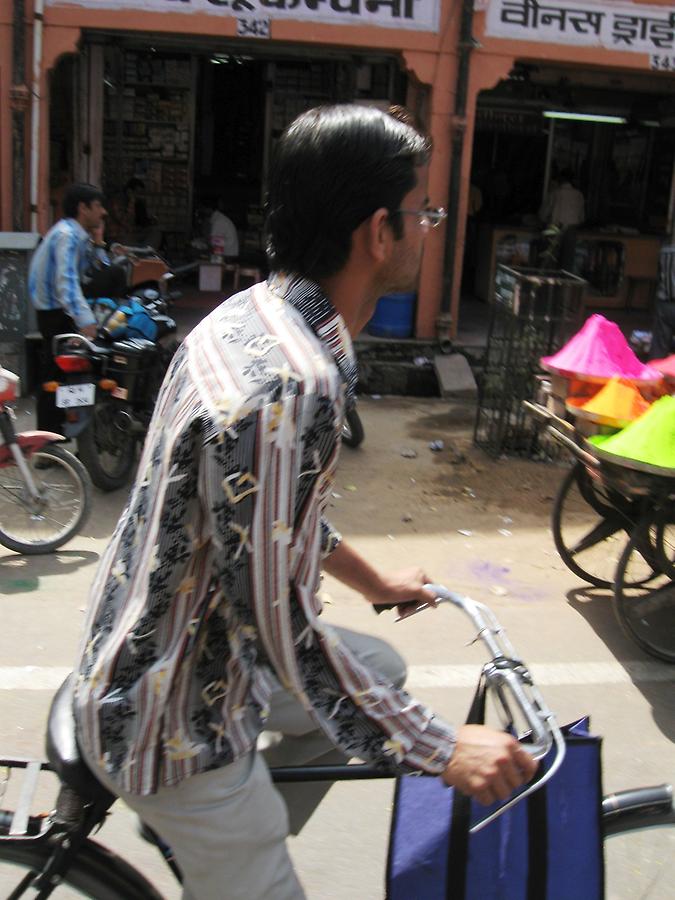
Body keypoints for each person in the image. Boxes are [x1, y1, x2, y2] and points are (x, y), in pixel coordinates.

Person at [72, 105, 537, 900]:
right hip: (167, 711)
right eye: (422, 211)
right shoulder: (293, 381)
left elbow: (268, 515)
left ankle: (230, 849)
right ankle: (229, 833)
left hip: (186, 647)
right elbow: (276, 619)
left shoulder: (260, 316)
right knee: (270, 856)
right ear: (378, 233)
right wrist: (436, 747)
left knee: (379, 662)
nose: (430, 229)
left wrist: (371, 582)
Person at [28, 182, 105, 432]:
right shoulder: (67, 236)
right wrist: (86, 321)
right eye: (98, 206)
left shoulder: (77, 235)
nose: (102, 212)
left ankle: (73, 433)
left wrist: (99, 242)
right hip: (56, 314)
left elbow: (95, 272)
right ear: (83, 208)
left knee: (71, 376)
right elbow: (67, 284)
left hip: (59, 312)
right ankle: (49, 444)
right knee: (56, 377)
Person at [541, 168, 585, 271]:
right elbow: (581, 217)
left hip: (554, 227)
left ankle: (548, 283)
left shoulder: (555, 193)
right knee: (567, 262)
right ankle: (564, 284)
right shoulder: (579, 194)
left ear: (560, 180)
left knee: (550, 260)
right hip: (571, 229)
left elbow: (543, 214)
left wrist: (543, 221)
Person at [648, 243, 675, 360]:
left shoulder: (665, 250)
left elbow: (660, 276)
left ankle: (654, 375)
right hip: (666, 303)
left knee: (659, 345)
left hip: (665, 303)